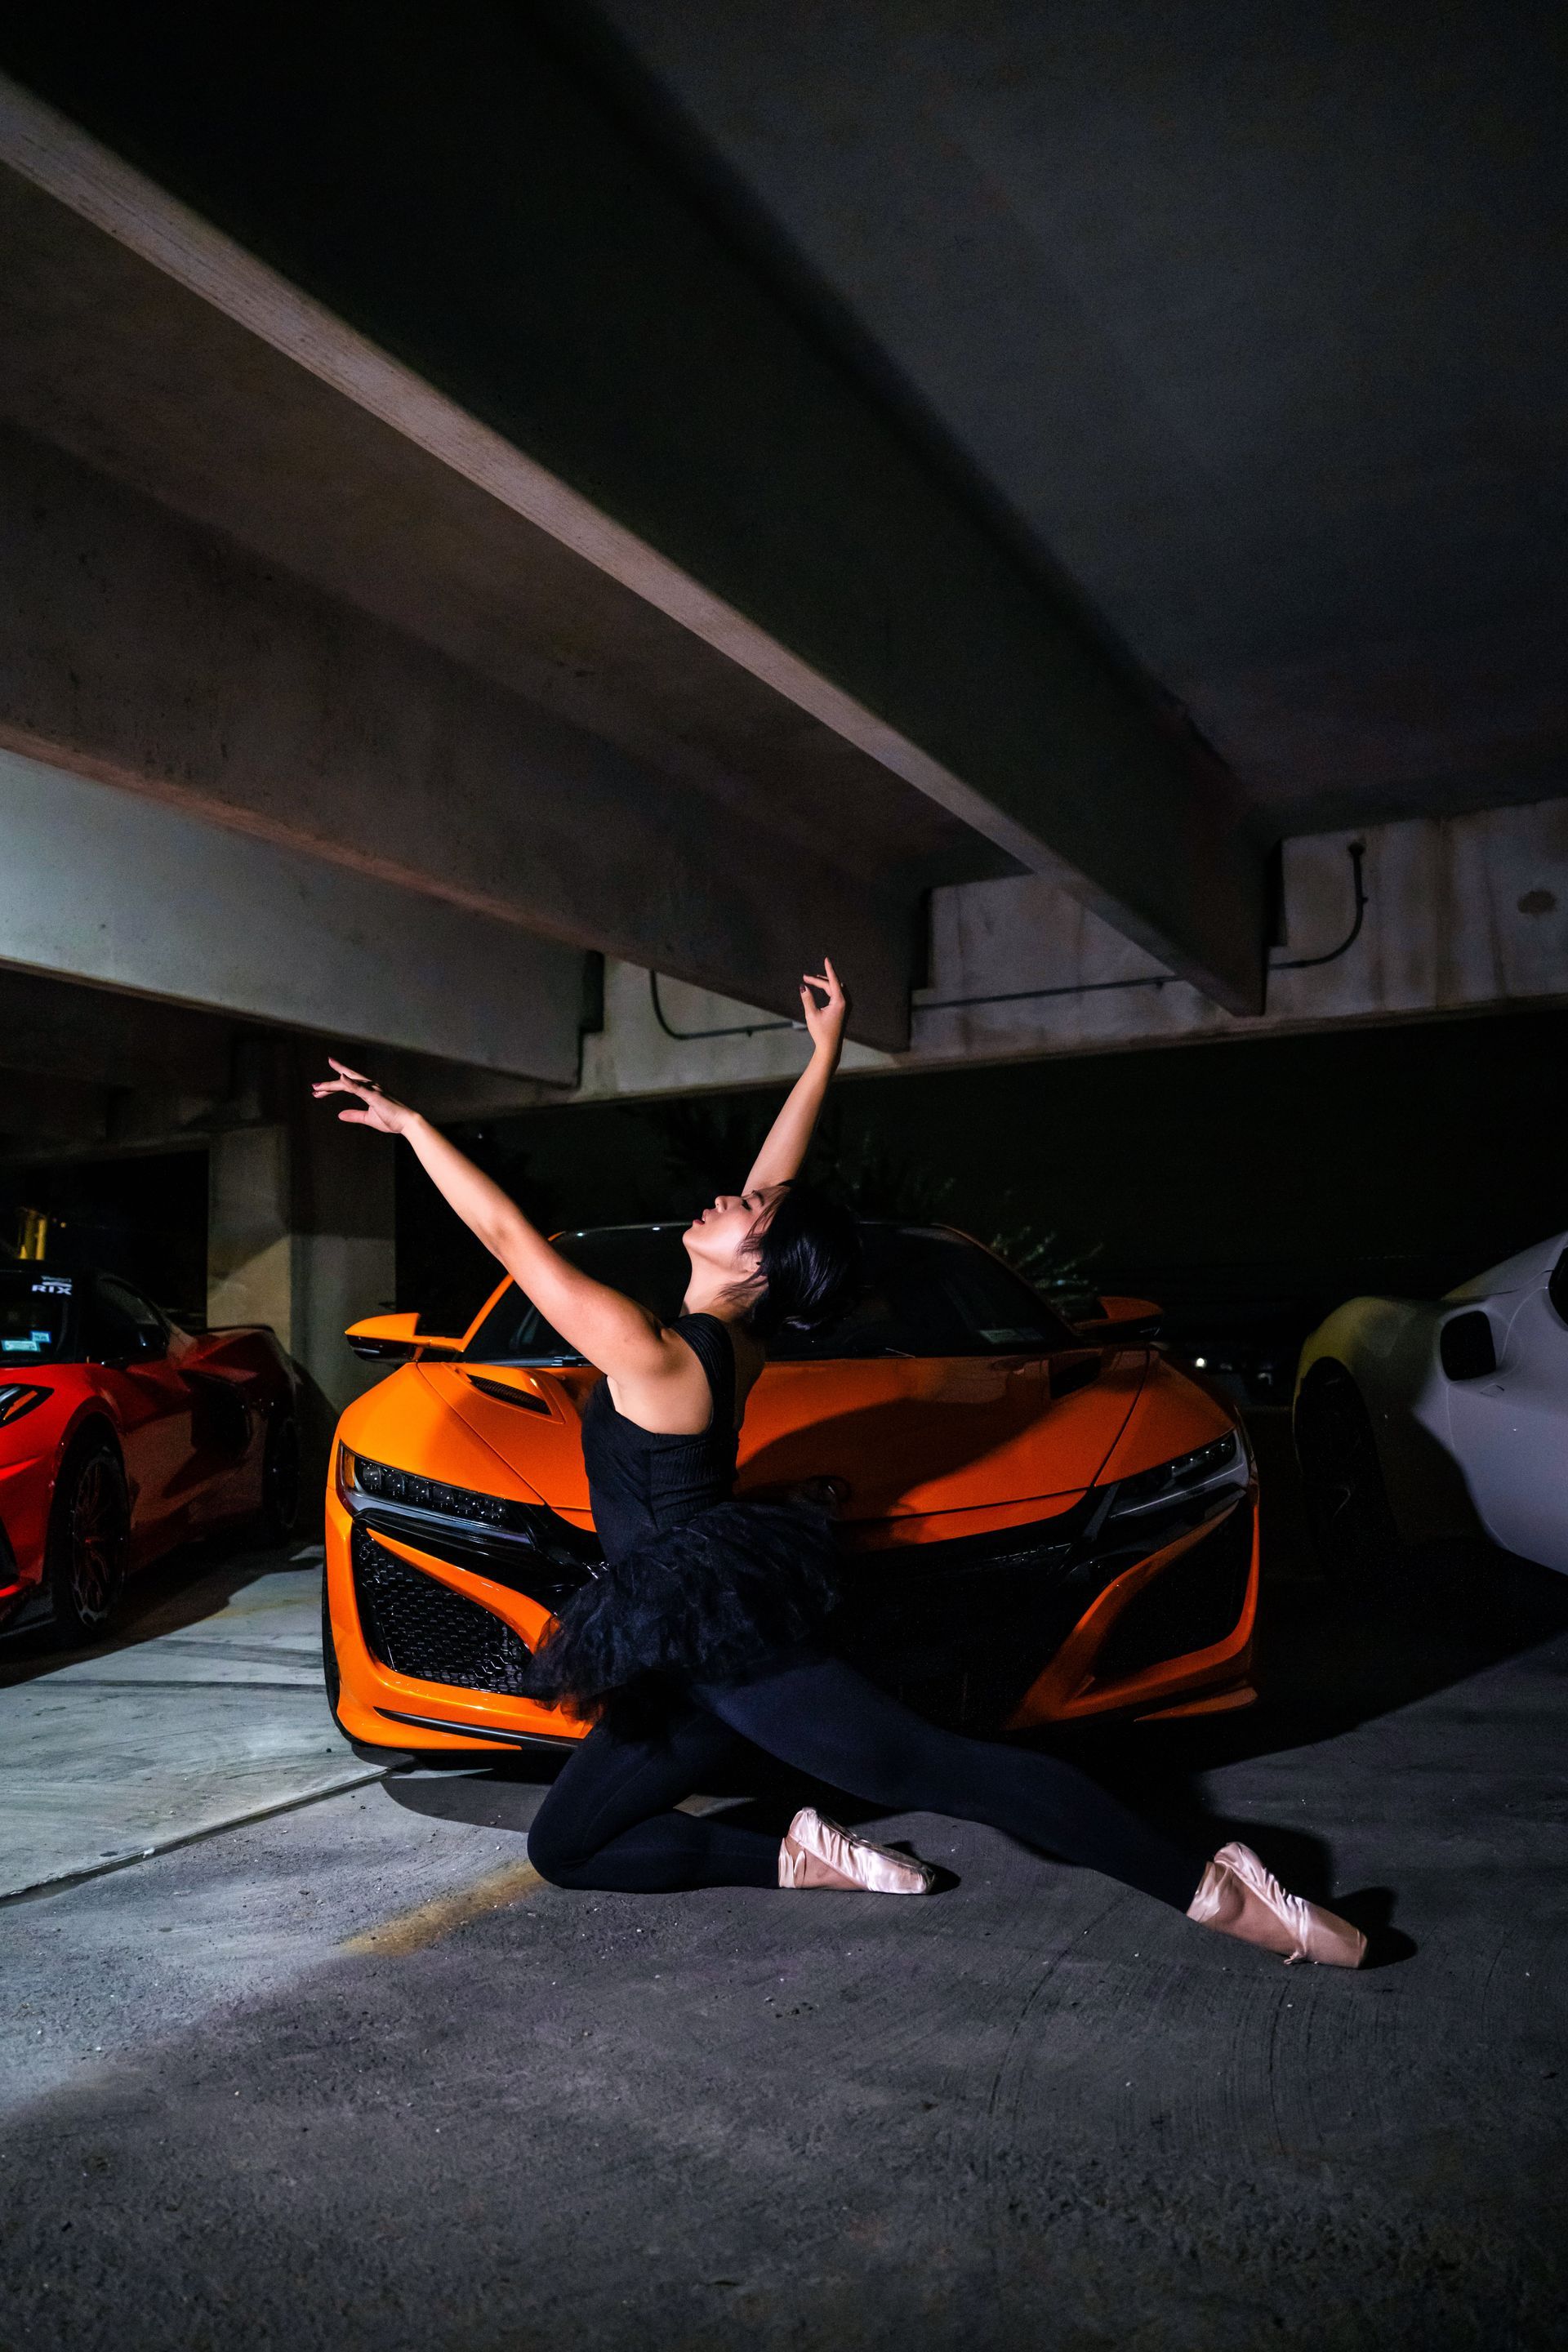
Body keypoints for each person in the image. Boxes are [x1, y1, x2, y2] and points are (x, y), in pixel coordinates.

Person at [313, 958, 1365, 1968]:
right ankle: (802, 1855)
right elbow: (776, 1182)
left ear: (760, 1266)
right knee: (568, 1848)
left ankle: (1218, 1885)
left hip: (725, 1640)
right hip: (675, 1637)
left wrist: (413, 1126)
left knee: (944, 1772)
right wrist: (822, 1054)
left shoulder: (658, 1357)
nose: (730, 1200)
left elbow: (509, 1237)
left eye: (747, 1215)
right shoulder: (733, 1331)